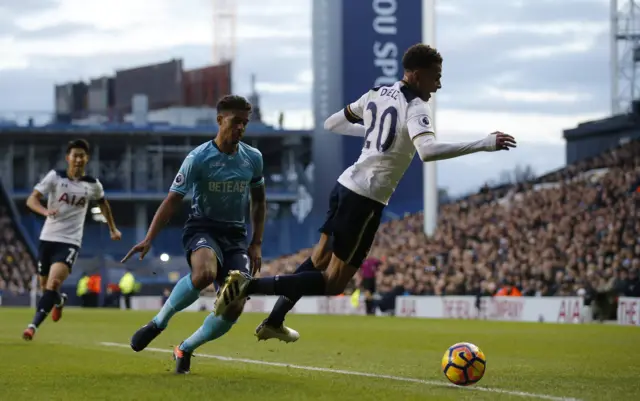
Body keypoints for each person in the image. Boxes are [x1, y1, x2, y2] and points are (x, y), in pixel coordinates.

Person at [213, 43, 517, 341]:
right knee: (333, 284)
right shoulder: (416, 106)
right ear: (415, 74)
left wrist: (373, 130)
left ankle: (274, 320)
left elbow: (332, 123)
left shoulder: (376, 94)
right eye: (434, 76)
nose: (438, 84)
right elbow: (427, 151)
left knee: (318, 260)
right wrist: (484, 143)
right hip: (366, 199)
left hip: (345, 186)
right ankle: (246, 287)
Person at [121, 95, 266, 374]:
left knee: (233, 306)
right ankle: (159, 322)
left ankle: (185, 348)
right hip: (203, 227)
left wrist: (256, 242)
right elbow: (172, 200)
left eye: (245, 123)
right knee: (205, 274)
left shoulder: (253, 158)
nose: (241, 128)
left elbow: (259, 201)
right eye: (236, 122)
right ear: (219, 120)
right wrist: (149, 238)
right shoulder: (198, 158)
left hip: (236, 236)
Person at [22, 139, 122, 340]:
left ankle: (32, 326)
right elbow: (31, 199)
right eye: (74, 155)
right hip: (47, 237)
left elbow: (104, 205)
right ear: (68, 158)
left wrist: (113, 228)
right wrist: (44, 211)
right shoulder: (55, 177)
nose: (78, 159)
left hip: (70, 241)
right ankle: (58, 301)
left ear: (87, 159)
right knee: (45, 288)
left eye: (82, 156)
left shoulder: (92, 184)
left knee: (54, 281)